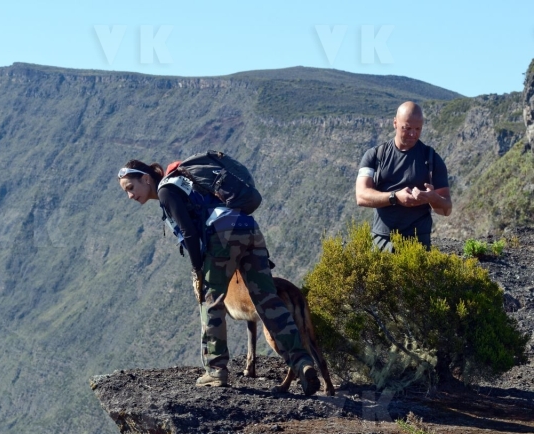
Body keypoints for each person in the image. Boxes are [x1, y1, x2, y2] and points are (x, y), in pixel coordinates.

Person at [117, 159, 321, 395]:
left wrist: (198, 272)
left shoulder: (166, 190)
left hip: (224, 234)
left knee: (211, 300)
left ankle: (215, 371)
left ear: (145, 179)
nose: (130, 196)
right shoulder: (183, 182)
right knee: (268, 300)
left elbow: (189, 233)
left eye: (130, 188)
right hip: (249, 229)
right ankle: (302, 363)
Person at [355, 101, 452, 251]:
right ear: (395, 123)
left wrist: (432, 198)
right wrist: (395, 197)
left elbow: (446, 209)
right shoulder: (375, 155)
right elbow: (361, 196)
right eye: (407, 128)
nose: (413, 134)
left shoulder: (432, 159)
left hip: (417, 243)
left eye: (418, 129)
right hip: (382, 240)